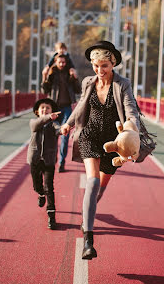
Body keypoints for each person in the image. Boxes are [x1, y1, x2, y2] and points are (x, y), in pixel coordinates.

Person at [60, 40, 140, 260]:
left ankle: (88, 213)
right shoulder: (88, 82)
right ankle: (89, 239)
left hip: (113, 142)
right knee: (92, 181)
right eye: (96, 65)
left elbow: (131, 111)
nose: (100, 70)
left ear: (112, 63)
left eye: (104, 65)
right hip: (89, 136)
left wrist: (132, 131)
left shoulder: (123, 84)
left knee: (99, 189)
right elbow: (81, 106)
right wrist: (68, 123)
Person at [42, 54, 81, 172]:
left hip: (67, 109)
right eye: (59, 62)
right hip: (54, 109)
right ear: (55, 62)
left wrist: (75, 77)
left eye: (63, 62)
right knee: (52, 136)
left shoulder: (70, 73)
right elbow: (44, 90)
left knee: (65, 135)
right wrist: (44, 76)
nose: (61, 64)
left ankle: (62, 163)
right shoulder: (52, 74)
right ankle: (53, 159)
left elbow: (78, 90)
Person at [27, 98, 61, 229]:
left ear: (53, 111)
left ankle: (51, 216)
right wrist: (47, 118)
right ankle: (40, 194)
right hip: (35, 159)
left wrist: (63, 129)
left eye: (48, 108)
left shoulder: (54, 124)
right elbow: (36, 126)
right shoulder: (33, 122)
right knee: (37, 186)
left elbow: (58, 130)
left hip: (48, 160)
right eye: (42, 108)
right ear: (37, 111)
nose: (45, 110)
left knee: (49, 187)